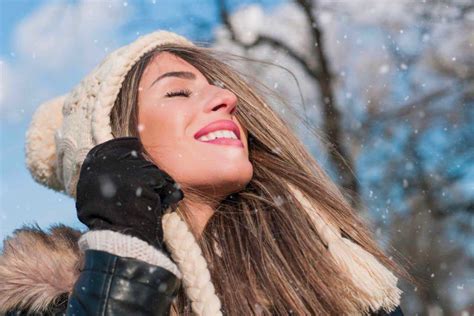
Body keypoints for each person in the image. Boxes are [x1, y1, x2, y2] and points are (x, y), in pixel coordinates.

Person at [0, 30, 411, 315]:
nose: (226, 98)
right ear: (114, 142)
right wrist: (123, 253)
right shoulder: (48, 299)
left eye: (219, 88)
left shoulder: (331, 275)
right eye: (178, 91)